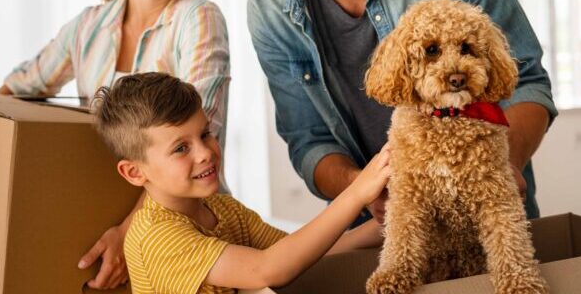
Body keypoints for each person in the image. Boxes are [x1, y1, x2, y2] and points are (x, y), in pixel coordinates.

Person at [219, 0, 557, 225]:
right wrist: (362, 189)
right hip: (372, 232)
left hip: (492, 220)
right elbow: (309, 140)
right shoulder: (268, 6)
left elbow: (526, 81)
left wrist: (501, 168)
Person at [0, 0, 230, 289]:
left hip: (182, 226)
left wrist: (128, 232)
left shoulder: (198, 18)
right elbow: (19, 87)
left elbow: (204, 130)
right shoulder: (88, 27)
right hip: (101, 223)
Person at [93, 72, 389, 293]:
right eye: (181, 148)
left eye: (205, 134)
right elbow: (267, 270)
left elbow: (304, 252)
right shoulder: (156, 236)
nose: (205, 153)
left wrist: (392, 221)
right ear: (134, 173)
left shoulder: (224, 209)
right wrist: (356, 193)